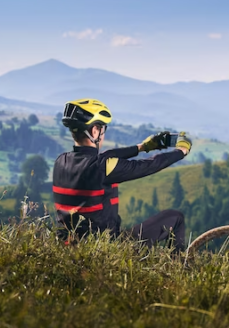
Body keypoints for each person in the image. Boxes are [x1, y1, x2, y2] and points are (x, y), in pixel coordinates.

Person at [52, 98, 192, 251]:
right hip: (107, 248)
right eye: (103, 129)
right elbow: (150, 165)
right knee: (175, 217)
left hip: (69, 246)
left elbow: (105, 156)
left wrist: (142, 147)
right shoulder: (102, 167)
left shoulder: (61, 161)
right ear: (94, 131)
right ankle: (178, 269)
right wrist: (181, 152)